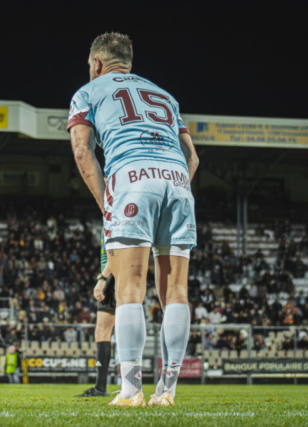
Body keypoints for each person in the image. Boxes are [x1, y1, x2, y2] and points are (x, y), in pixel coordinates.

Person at [68, 32, 198, 407]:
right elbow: (193, 158)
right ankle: (167, 391)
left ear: (96, 64)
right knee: (176, 293)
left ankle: (130, 390)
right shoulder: (164, 95)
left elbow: (82, 150)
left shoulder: (88, 91)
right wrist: (172, 188)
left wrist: (106, 203)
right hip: (176, 181)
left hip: (131, 177)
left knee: (130, 289)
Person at [77, 223, 116, 397]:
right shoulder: (110, 218)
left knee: (103, 331)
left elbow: (115, 255)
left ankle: (102, 387)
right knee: (103, 331)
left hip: (113, 278)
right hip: (113, 277)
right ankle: (102, 386)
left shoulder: (115, 217)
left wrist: (103, 278)